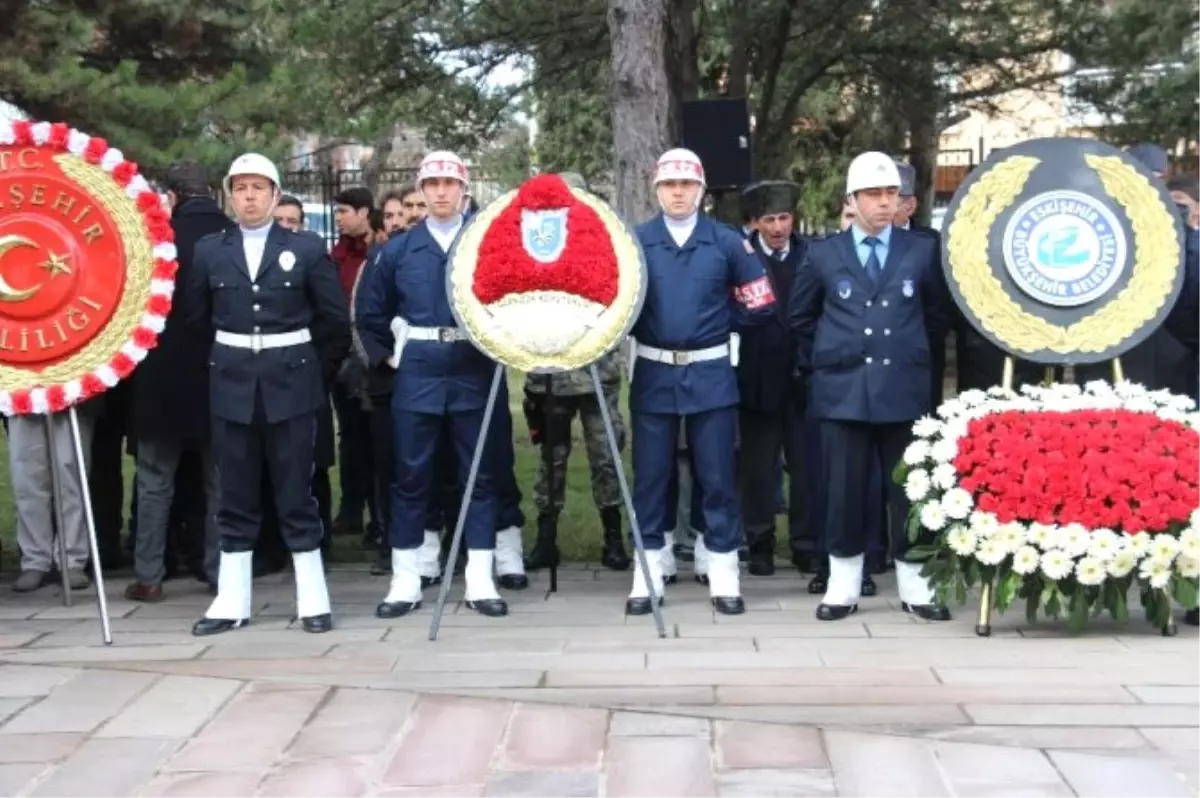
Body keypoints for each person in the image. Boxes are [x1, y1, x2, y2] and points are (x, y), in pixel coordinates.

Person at [184, 153, 351, 636]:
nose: (250, 196)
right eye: (241, 188)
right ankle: (231, 600)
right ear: (229, 195)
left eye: (259, 187)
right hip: (233, 384)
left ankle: (313, 596)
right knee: (234, 491)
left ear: (276, 194)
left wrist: (311, 375)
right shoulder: (211, 251)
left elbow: (334, 323)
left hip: (292, 383)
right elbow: (197, 320)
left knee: (295, 489)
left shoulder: (306, 248)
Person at [788, 151, 953, 623]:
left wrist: (910, 351)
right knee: (843, 490)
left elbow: (937, 313)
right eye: (874, 195)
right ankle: (842, 585)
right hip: (842, 392)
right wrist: (831, 357)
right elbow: (801, 317)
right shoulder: (822, 254)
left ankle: (916, 586)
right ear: (852, 200)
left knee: (908, 490)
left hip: (903, 390)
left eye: (891, 195)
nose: (884, 203)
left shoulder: (921, 250)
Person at [357, 151, 509, 618]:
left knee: (479, 475)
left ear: (464, 189)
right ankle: (406, 578)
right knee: (410, 475)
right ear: (420, 191)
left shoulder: (487, 244)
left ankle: (481, 578)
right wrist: (390, 356)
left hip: (474, 365)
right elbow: (370, 313)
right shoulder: (397, 250)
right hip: (419, 369)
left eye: (450, 182)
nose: (442, 191)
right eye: (433, 183)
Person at [626, 148, 776, 617]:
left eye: (687, 185)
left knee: (716, 474)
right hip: (653, 371)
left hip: (711, 371)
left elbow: (761, 300)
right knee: (651, 475)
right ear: (656, 189)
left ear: (701, 191)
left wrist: (719, 323)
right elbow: (618, 303)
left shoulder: (727, 241)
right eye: (669, 185)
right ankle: (649, 565)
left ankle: (724, 567)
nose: (677, 192)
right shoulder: (637, 241)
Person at [125, 161, 231, 602]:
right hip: (220, 372)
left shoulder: (153, 238)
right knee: (219, 480)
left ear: (171, 196)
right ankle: (220, 569)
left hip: (161, 378)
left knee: (154, 480)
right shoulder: (232, 235)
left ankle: (149, 574)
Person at [522, 171, 632, 573]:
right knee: (551, 460)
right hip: (550, 374)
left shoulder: (604, 250)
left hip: (596, 373)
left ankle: (613, 538)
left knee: (607, 458)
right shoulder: (536, 252)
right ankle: (546, 539)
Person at [735, 180, 811, 577]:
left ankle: (805, 543)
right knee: (758, 468)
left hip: (802, 379)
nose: (779, 227)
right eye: (770, 219)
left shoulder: (812, 254)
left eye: (784, 218)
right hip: (757, 376)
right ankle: (759, 543)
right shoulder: (741, 257)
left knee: (805, 465)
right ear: (755, 222)